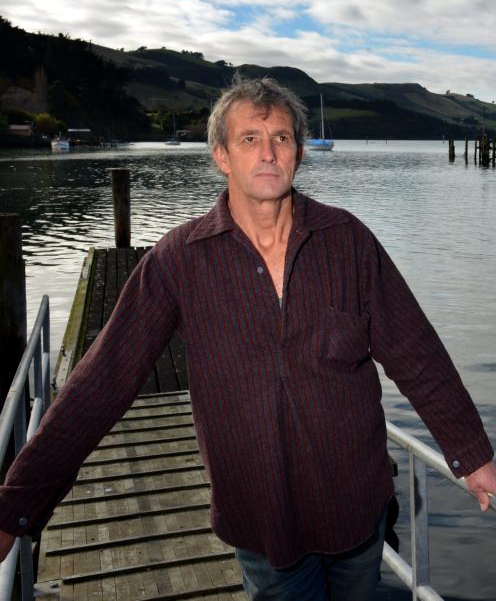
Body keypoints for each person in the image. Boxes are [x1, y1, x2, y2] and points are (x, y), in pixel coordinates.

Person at [0, 77, 495, 600]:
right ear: (221, 155)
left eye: (281, 138)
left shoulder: (348, 241)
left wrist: (472, 453)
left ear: (299, 153)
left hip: (356, 513)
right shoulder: (178, 260)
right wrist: (16, 506)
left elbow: (416, 351)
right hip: (262, 527)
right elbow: (101, 380)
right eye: (249, 138)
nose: (267, 152)